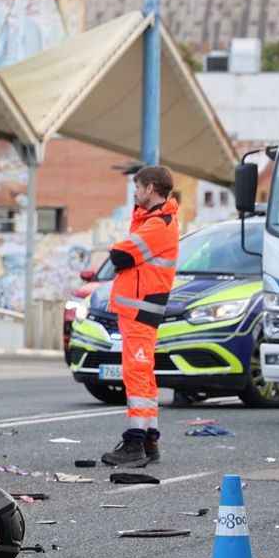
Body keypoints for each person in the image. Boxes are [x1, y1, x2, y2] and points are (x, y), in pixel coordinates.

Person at [100, 166, 180, 468]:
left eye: (137, 187)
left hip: (139, 308)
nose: (134, 193)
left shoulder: (159, 224)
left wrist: (118, 251)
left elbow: (119, 256)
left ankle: (135, 443)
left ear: (151, 188)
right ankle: (148, 440)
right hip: (142, 308)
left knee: (135, 375)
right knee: (143, 376)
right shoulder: (154, 220)